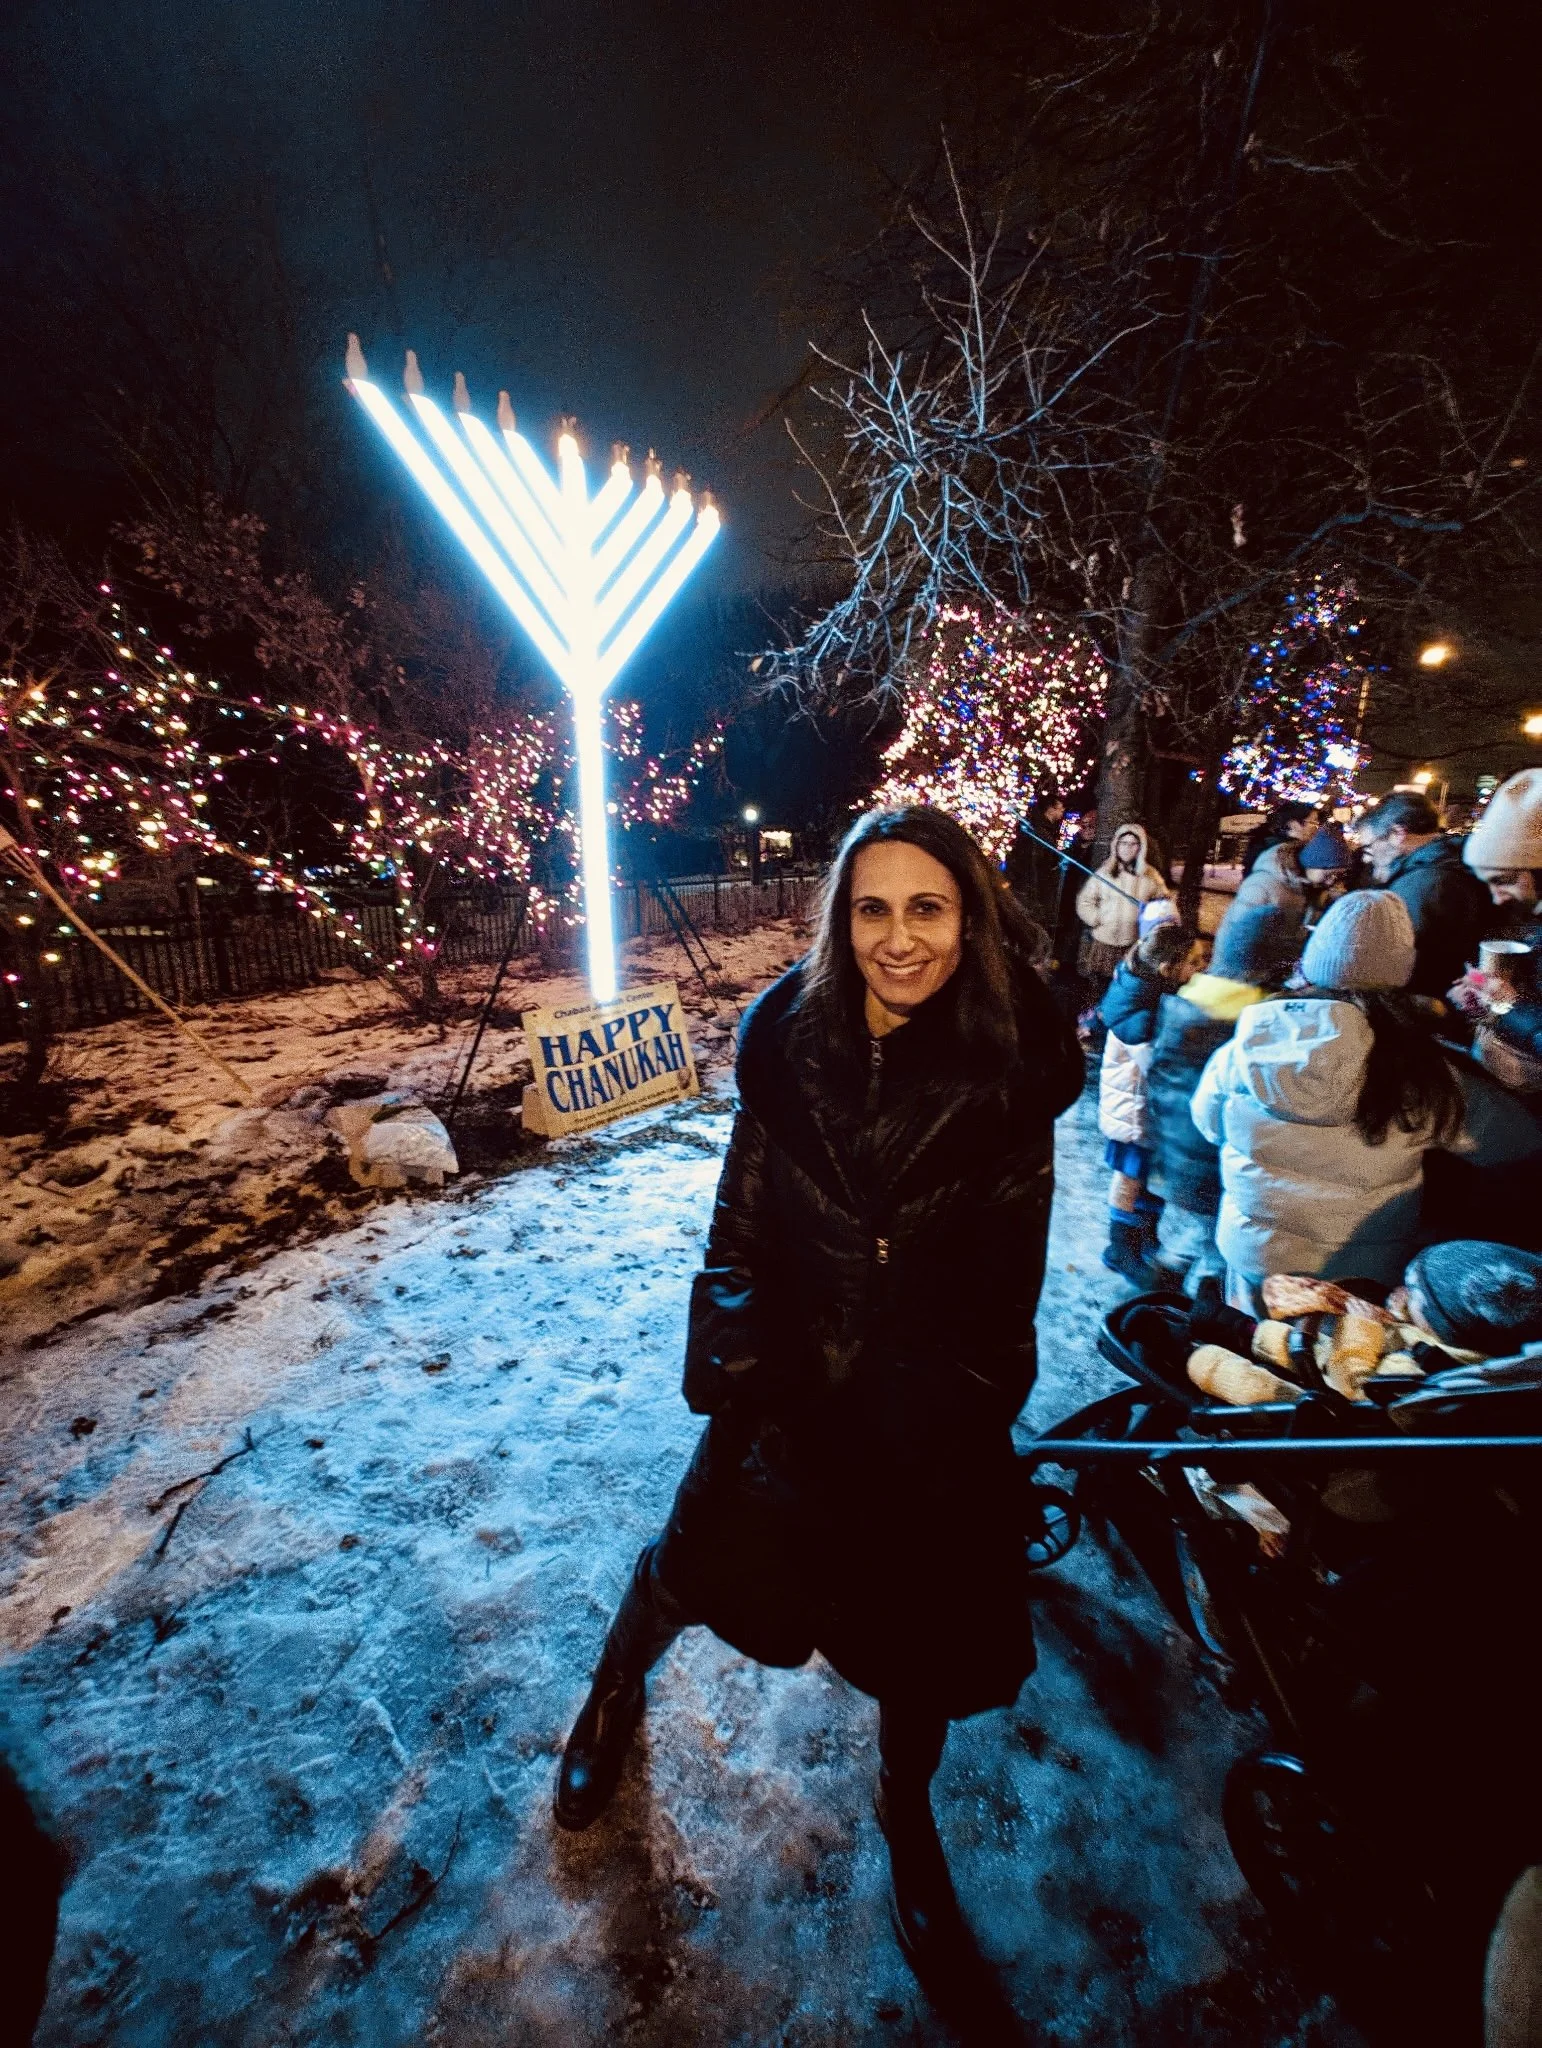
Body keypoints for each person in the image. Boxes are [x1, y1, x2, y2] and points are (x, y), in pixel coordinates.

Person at [552, 805, 1084, 2008]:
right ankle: (612, 1692)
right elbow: (737, 1230)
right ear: (843, 921)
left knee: (917, 1647)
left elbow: (1009, 1288)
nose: (900, 938)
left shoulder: (1009, 1069)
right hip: (785, 1399)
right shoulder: (791, 1045)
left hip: (924, 1421)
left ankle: (908, 1813)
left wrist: (957, 1402)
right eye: (873, 907)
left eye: (929, 906)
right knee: (686, 1573)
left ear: (972, 917)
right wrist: (745, 1356)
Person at [1191, 889, 1466, 1307]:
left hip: (1255, 1257)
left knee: (1252, 1351)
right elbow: (1511, 1141)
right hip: (1361, 1273)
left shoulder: (1247, 1046)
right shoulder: (1424, 1070)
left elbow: (1207, 1124)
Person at [1146, 902, 1297, 1286]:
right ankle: (1191, 1303)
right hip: (1211, 1157)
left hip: (1176, 1148)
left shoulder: (1191, 997)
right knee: (1215, 1242)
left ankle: (1166, 1275)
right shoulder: (1251, 1017)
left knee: (1197, 1230)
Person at [1097, 916, 1203, 1280]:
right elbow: (1155, 1063)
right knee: (1129, 1177)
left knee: (1147, 1176)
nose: (1200, 968)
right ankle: (1120, 1247)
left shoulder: (1151, 992)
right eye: (1193, 962)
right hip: (1134, 1112)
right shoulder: (1142, 1009)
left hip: (1147, 1110)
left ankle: (1144, 1237)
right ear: (1167, 968)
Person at [1355, 789, 1491, 997]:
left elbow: (1397, 956)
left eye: (1369, 847)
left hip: (1429, 1001)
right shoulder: (1453, 860)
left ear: (1398, 834)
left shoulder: (1421, 883)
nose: (1367, 858)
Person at [1457, 767, 1542, 1079]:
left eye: (1504, 880)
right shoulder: (1529, 920)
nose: (1496, 899)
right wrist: (1484, 1005)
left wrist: (1508, 1005)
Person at [1074, 822, 1173, 998]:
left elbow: (1164, 904)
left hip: (1131, 944)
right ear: (1116, 845)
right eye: (1123, 843)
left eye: (1133, 844)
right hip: (1104, 943)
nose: (1127, 848)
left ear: (1140, 847)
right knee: (1100, 989)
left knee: (1124, 989)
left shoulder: (1150, 876)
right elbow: (1085, 901)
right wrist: (1096, 918)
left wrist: (1152, 922)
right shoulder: (1105, 873)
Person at [1213, 834, 1311, 962]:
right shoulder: (1260, 886)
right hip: (1241, 970)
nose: (1332, 881)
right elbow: (1237, 934)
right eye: (1328, 874)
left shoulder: (1303, 887)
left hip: (1263, 968)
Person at [1238, 800, 1318, 880]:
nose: (1316, 827)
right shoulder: (1280, 851)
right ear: (1294, 824)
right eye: (1313, 822)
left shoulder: (1279, 845)